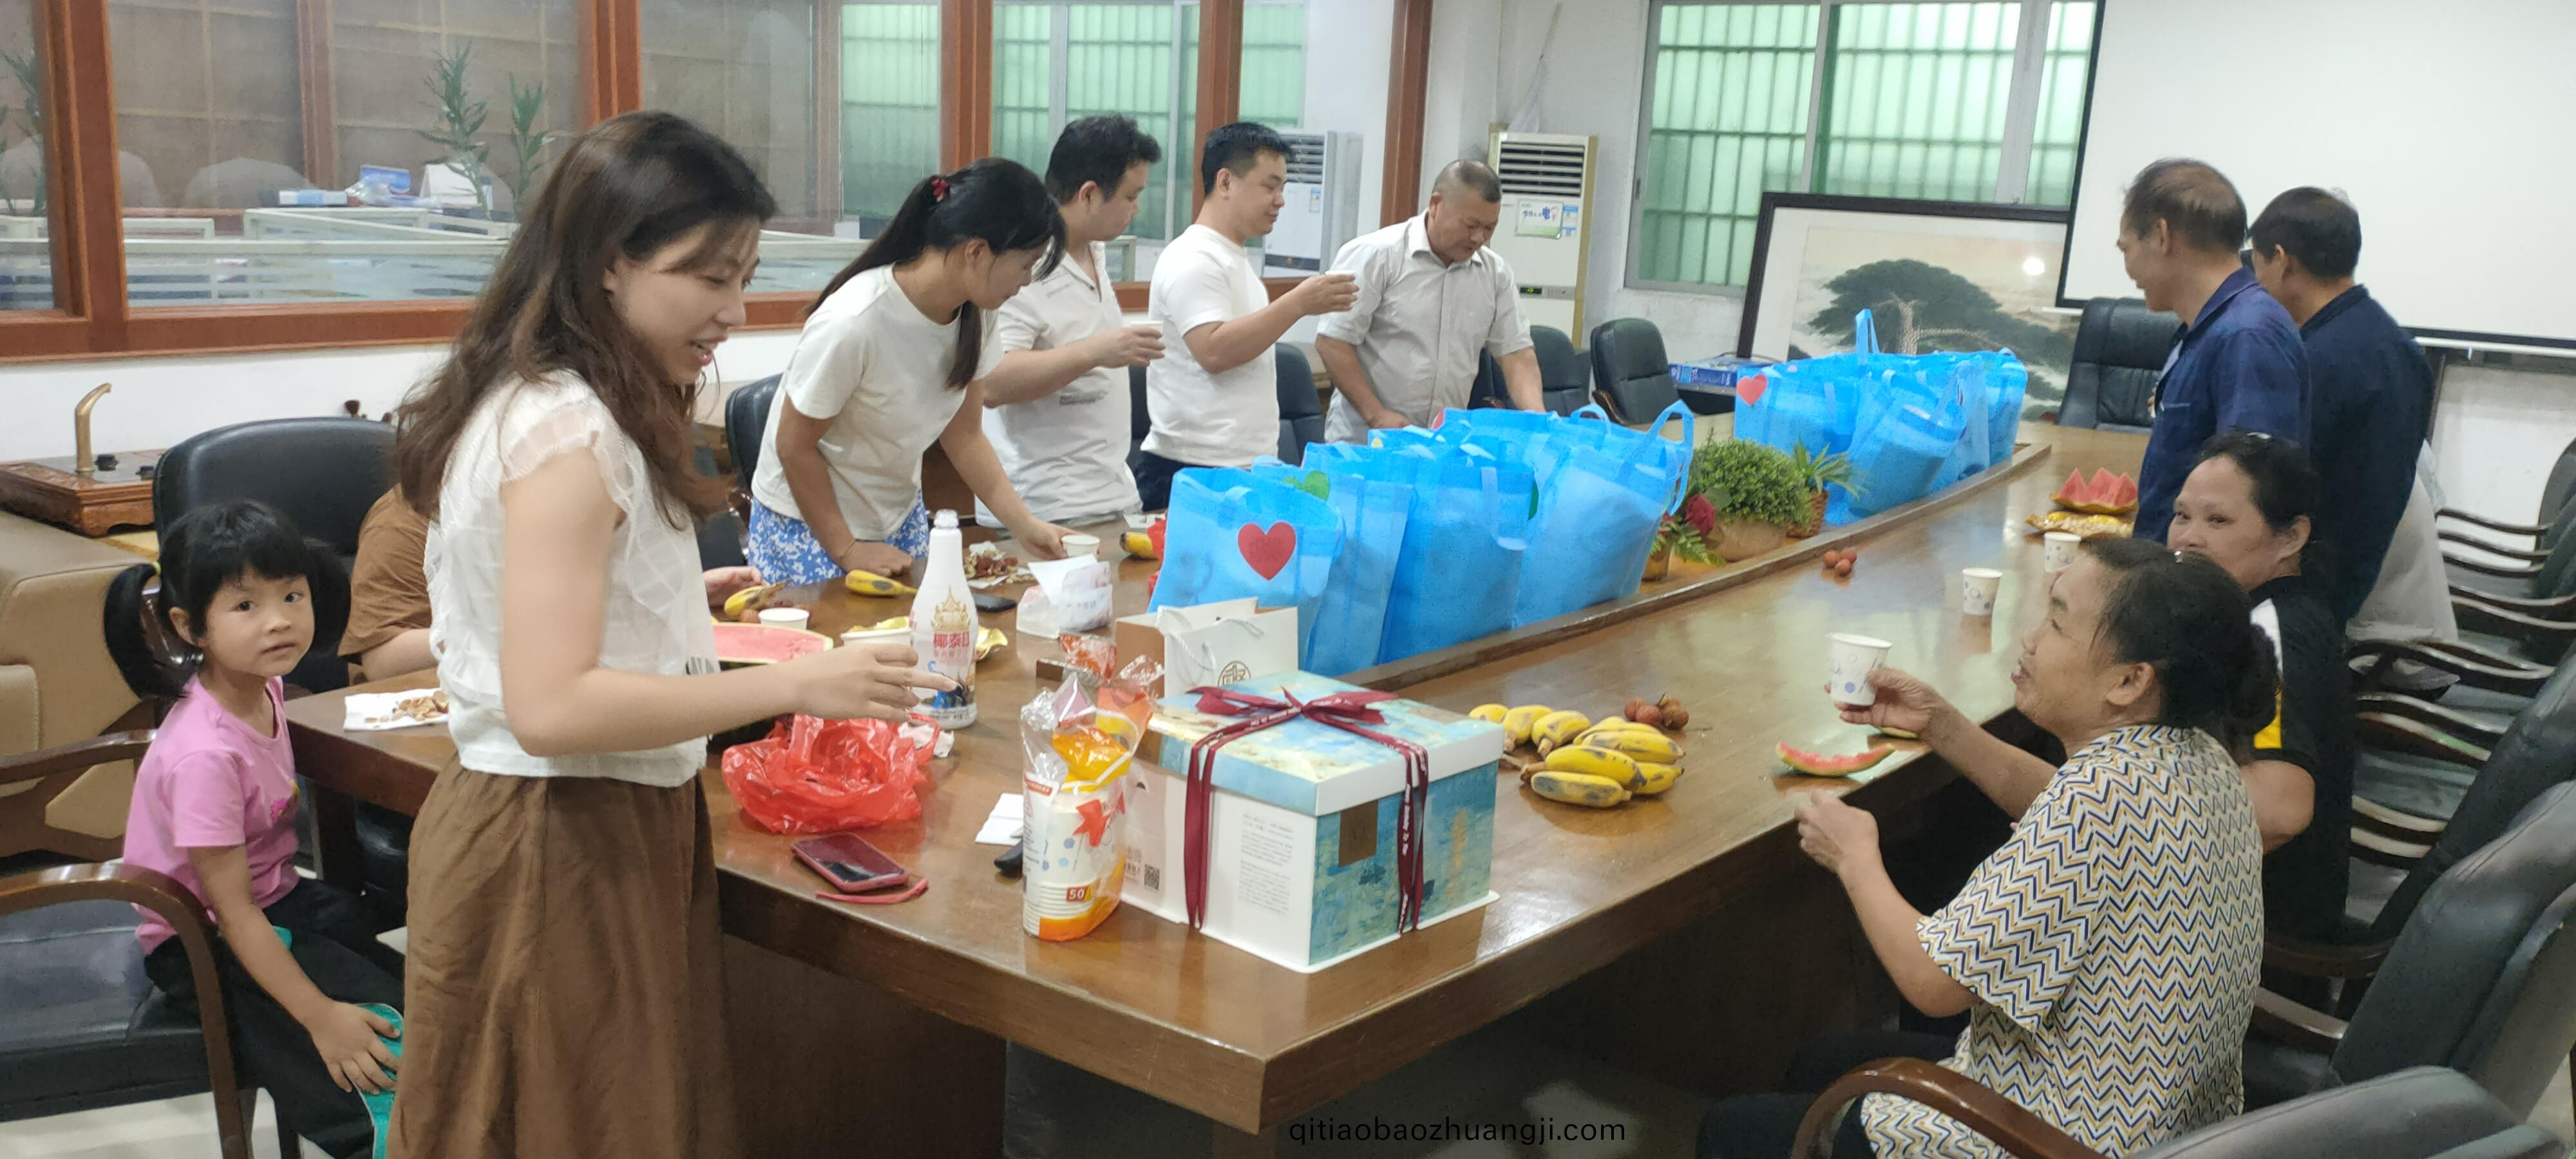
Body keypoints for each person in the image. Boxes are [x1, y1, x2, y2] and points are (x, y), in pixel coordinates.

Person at [385, 110, 951, 1159]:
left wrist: (687, 609)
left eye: (744, 275)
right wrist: (799, 684)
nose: (735, 310)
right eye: (708, 276)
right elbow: (553, 707)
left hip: (590, 821)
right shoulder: (567, 431)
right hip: (555, 837)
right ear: (610, 263)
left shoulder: (567, 399)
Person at [1700, 538, 2271, 1159]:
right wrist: (1942, 725)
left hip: (2052, 1139)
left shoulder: (2097, 800)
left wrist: (1855, 857)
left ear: (2131, 681)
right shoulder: (2197, 758)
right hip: (2161, 1127)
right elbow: (2067, 810)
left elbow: (1932, 985)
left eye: (2055, 623)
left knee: (1731, 1130)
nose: (2029, 638)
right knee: (1822, 1060)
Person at [102, 500, 406, 1159]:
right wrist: (319, 1016)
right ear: (191, 627)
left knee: (425, 992)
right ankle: (379, 1138)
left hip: (274, 899)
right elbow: (234, 916)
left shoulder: (263, 688)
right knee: (380, 1037)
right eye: (245, 606)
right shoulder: (206, 754)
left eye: (292, 595)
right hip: (201, 935)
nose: (279, 621)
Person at [748, 158, 1081, 585]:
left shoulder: (977, 311)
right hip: (809, 522)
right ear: (976, 252)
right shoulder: (855, 321)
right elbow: (793, 446)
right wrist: (847, 548)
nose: (1028, 279)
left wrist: (1026, 526)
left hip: (893, 516)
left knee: (923, 643)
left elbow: (965, 436)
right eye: (1025, 263)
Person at [2168, 431, 2353, 945]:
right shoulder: (2272, 609)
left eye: (2218, 521)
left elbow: (2279, 810)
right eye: (2182, 516)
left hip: (2244, 946)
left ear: (2291, 537)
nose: (2188, 539)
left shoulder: (2271, 631)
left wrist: (2124, 838)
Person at [1135, 121, 1358, 510]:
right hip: (1196, 468)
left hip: (1246, 465)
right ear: (1225, 183)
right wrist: (1298, 302)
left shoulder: (1233, 258)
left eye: (1283, 188)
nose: (1281, 200)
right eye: (1269, 187)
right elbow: (1214, 352)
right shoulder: (1193, 257)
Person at [339, 488, 762, 681]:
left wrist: (684, 592)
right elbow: (382, 660)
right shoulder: (409, 515)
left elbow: (589, 599)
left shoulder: (571, 495)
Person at [2249, 187, 2434, 622]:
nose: (2255, 281)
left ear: (2281, 259)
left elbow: (2283, 487)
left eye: (2256, 264)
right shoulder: (2391, 341)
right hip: (2358, 577)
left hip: (2316, 596)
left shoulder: (2318, 359)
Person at [976, 115, 1167, 526]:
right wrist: (1098, 351)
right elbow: (992, 382)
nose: (1136, 209)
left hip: (1111, 496)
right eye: (1131, 197)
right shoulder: (1024, 264)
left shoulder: (1094, 249)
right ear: (1090, 195)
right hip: (1047, 509)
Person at [2116, 158, 2308, 543]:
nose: (2127, 267)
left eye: (2126, 248)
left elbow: (2243, 506)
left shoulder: (2247, 335)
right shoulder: (2209, 326)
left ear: (2160, 236)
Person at [1315, 158, 1542, 440]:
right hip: (1367, 442)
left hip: (1442, 445)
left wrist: (1538, 420)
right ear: (1435, 204)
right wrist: (1376, 414)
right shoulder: (1375, 256)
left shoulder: (1494, 273)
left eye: (1489, 228)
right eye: (1471, 224)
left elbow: (1516, 354)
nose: (1479, 237)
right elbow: (1333, 342)